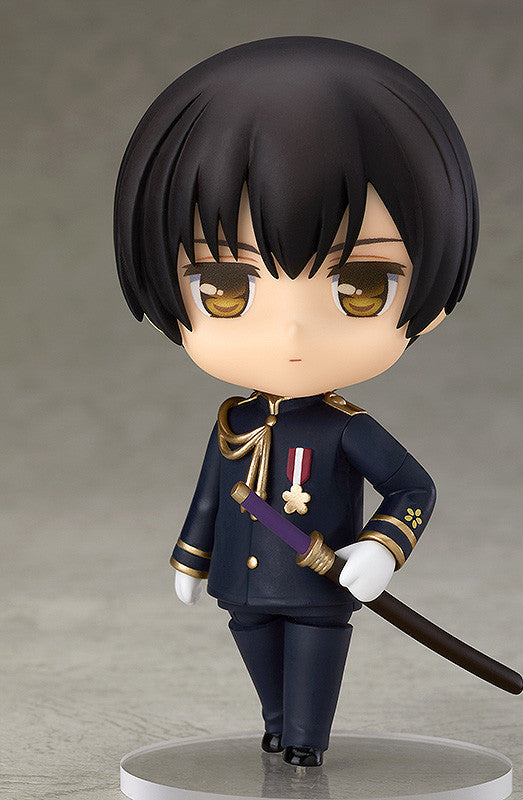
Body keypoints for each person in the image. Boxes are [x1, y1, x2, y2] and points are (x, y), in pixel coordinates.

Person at [114, 36, 478, 767]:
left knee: (313, 651)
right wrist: (191, 556)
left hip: (318, 581)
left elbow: (413, 487)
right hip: (243, 581)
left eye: (361, 286)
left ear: (431, 297)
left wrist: (381, 546)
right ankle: (279, 722)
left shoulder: (348, 429)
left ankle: (306, 740)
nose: (291, 335)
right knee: (253, 643)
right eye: (225, 287)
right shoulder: (235, 421)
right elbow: (211, 495)